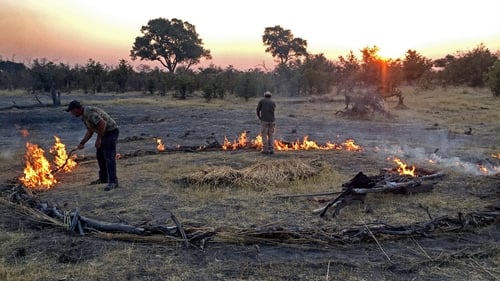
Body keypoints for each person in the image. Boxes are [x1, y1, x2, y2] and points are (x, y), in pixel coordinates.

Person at [65, 100, 120, 191]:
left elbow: (103, 124)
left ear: (76, 109)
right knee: (100, 156)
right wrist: (82, 143)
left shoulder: (89, 112)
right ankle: (104, 179)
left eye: (72, 111)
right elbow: (90, 130)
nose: (72, 113)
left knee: (109, 157)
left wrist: (99, 139)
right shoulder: (84, 116)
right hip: (104, 133)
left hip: (111, 132)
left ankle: (113, 182)